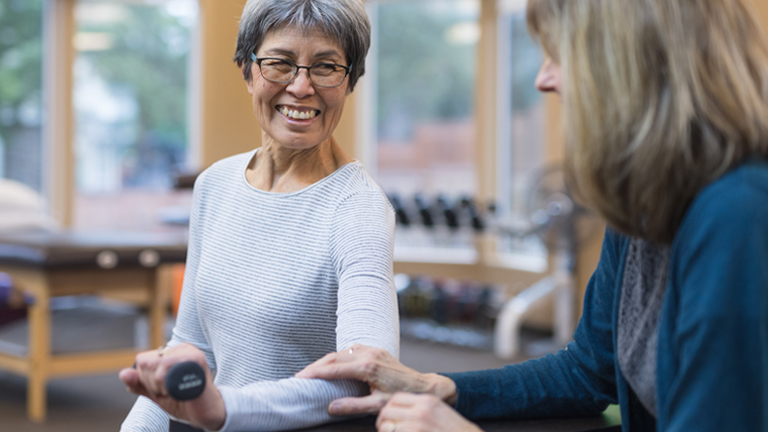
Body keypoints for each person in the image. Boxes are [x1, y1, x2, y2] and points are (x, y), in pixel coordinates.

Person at [296, 0, 768, 431]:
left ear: (632, 67)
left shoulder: (736, 215)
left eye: (559, 55)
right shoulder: (647, 202)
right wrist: (441, 387)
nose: (544, 79)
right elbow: (587, 371)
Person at [118, 1, 399, 431]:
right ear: (248, 71)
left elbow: (363, 379)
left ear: (350, 81)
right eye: (280, 63)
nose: (302, 87)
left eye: (326, 67)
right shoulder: (214, 185)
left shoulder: (358, 210)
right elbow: (192, 344)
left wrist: (222, 409)